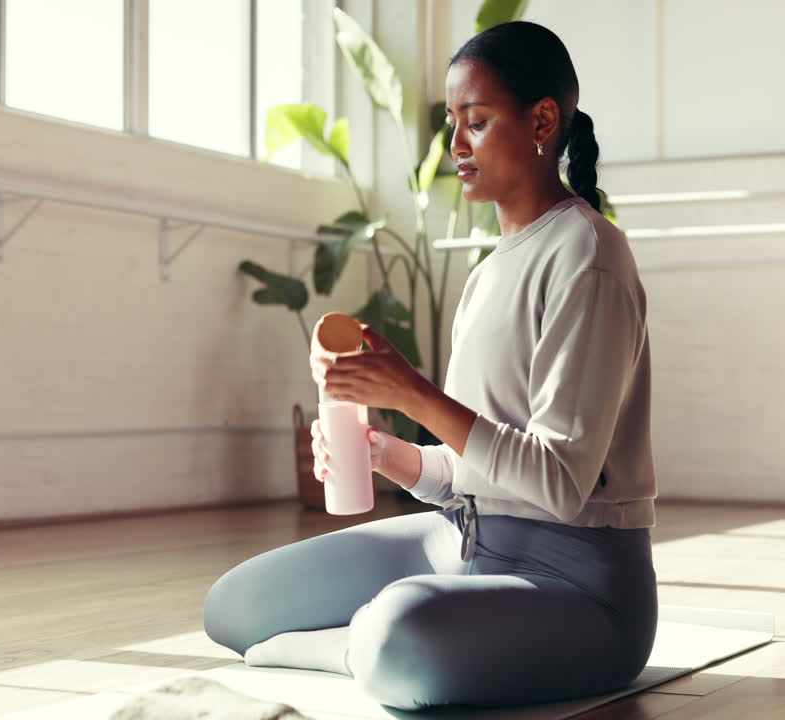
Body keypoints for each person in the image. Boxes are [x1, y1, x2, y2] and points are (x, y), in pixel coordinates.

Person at [204, 20, 658, 711]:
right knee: (234, 606)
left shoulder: (589, 257)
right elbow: (476, 471)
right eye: (452, 124)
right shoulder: (484, 275)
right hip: (463, 542)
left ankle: (351, 648)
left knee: (398, 635)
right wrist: (387, 452)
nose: (455, 148)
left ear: (542, 121)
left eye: (475, 123)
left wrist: (414, 395)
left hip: (580, 590)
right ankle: (370, 643)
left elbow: (560, 483)